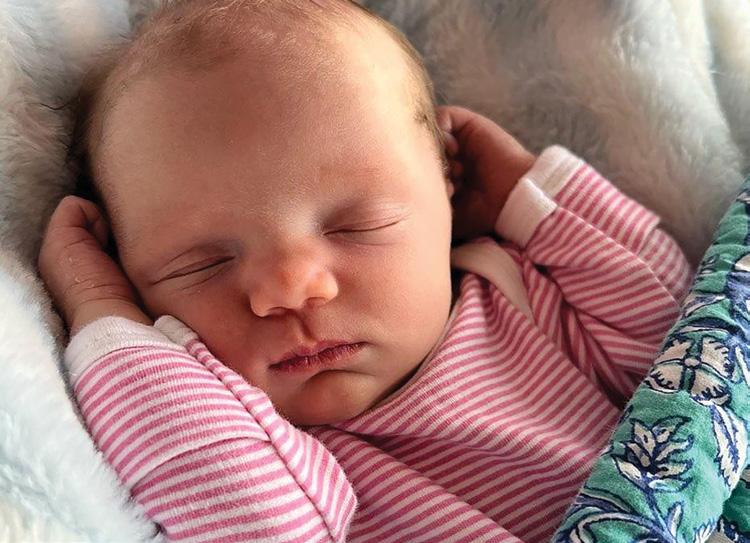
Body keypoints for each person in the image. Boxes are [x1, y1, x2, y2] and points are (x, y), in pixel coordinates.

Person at [38, 0, 692, 541]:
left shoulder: (519, 292)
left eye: (356, 225)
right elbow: (247, 520)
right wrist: (102, 311)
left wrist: (527, 193)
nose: (290, 289)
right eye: (203, 263)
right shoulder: (267, 450)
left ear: (447, 179)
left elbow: (684, 341)